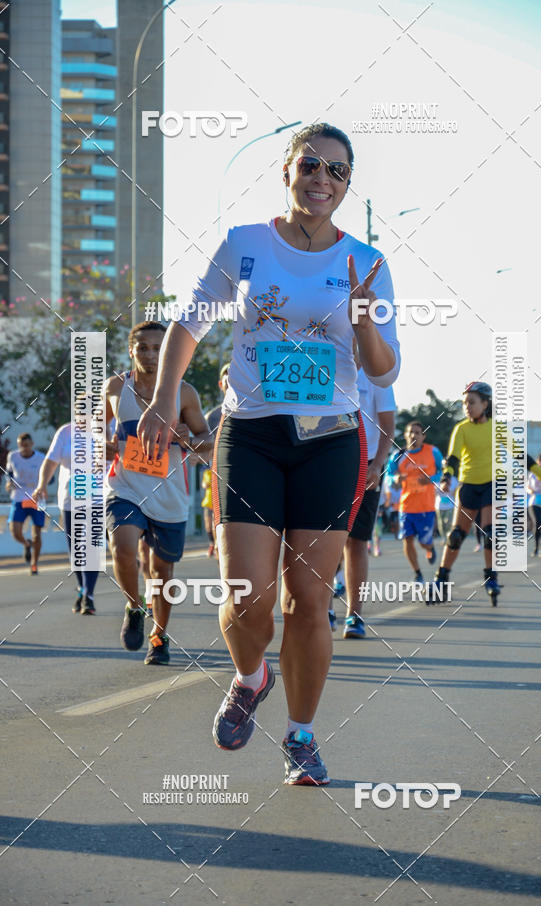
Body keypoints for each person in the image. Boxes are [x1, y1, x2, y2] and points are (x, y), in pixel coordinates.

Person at [137, 123, 400, 784]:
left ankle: (301, 735)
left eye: (337, 171)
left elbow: (384, 371)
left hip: (330, 440)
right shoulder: (245, 244)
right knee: (247, 597)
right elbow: (190, 322)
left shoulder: (367, 261)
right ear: (287, 171)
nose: (322, 179)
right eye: (310, 165)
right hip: (251, 434)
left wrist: (364, 321)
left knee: (308, 599)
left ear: (348, 184)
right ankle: (251, 676)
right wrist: (164, 397)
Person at [104, 320, 212, 665]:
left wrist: (188, 440)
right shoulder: (116, 387)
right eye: (143, 348)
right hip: (125, 487)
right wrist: (102, 445)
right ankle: (135, 607)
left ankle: (159, 636)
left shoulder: (184, 392)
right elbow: (92, 429)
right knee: (122, 547)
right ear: (131, 351)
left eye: (158, 348)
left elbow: (208, 440)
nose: (150, 354)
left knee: (161, 572)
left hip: (169, 494)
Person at [434, 382, 541, 604]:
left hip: (491, 486)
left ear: (485, 404)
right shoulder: (461, 429)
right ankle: (441, 578)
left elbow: (519, 454)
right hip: (468, 485)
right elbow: (453, 458)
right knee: (456, 536)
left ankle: (491, 578)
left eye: (472, 402)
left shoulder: (497, 428)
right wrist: (446, 477)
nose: (467, 407)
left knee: (491, 534)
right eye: (465, 403)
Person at [339, 356, 395, 639]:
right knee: (324, 538)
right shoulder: (329, 363)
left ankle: (354, 614)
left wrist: (377, 466)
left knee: (356, 542)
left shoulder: (377, 377)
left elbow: (388, 427)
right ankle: (322, 608)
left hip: (367, 464)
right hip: (328, 462)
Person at [32, 423, 99, 613]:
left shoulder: (108, 426)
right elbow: (50, 461)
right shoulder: (65, 432)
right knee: (76, 548)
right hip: (71, 499)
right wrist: (41, 485)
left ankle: (89, 596)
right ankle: (82, 588)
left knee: (92, 547)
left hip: (98, 498)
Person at [391, 422, 442, 585]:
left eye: (418, 433)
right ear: (405, 435)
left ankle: (429, 547)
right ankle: (417, 573)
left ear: (423, 436)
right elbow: (389, 476)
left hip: (426, 507)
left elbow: (443, 472)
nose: (414, 435)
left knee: (423, 542)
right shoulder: (398, 455)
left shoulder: (433, 452)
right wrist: (395, 478)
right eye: (410, 432)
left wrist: (431, 479)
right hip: (406, 507)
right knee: (407, 539)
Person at [5, 433, 46, 575]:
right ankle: (26, 544)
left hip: (36, 498)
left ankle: (34, 564)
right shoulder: (13, 456)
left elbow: (49, 477)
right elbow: (9, 472)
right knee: (15, 532)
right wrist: (9, 482)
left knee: (37, 534)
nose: (24, 448)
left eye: (27, 445)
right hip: (18, 497)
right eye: (21, 445)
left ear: (32, 444)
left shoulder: (41, 458)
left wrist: (43, 486)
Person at [435, 472, 458, 540]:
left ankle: (448, 536)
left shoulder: (454, 481)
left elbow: (456, 492)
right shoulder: (438, 480)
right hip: (439, 506)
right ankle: (443, 537)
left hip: (450, 506)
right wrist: (442, 488)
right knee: (441, 523)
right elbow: (435, 492)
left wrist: (449, 489)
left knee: (448, 522)